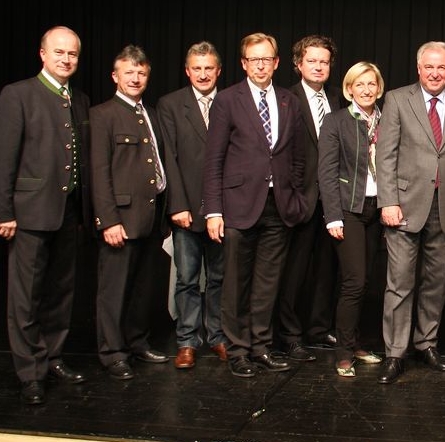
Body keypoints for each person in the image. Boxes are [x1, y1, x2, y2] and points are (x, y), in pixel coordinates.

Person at [0, 25, 91, 405]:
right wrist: (3, 210)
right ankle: (31, 371)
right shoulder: (18, 95)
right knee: (26, 297)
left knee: (61, 292)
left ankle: (53, 358)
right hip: (29, 213)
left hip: (67, 212)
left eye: (73, 54)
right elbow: (0, 158)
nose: (66, 59)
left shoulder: (78, 99)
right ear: (43, 54)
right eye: (59, 52)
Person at [202, 32, 306, 378]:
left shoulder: (289, 100)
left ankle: (261, 347)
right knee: (235, 283)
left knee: (267, 283)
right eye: (254, 59)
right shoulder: (228, 100)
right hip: (238, 207)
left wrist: (296, 198)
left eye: (267, 59)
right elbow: (214, 159)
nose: (261, 65)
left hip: (278, 205)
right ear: (244, 63)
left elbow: (296, 156)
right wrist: (214, 210)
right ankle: (238, 350)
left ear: (276, 63)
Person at [374, 41, 445, 384]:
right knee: (399, 283)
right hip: (403, 206)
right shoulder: (398, 99)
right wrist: (388, 200)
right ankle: (395, 353)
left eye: (441, 67)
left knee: (436, 283)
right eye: (429, 67)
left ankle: (427, 343)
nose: (435, 73)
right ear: (419, 69)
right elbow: (385, 154)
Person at [91, 44, 171, 381]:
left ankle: (137, 342)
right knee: (114, 290)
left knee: (143, 288)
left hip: (151, 217)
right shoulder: (103, 114)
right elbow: (99, 172)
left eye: (141, 73)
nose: (135, 78)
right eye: (129, 72)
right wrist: (108, 219)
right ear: (115, 76)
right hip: (121, 219)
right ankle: (113, 352)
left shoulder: (151, 113)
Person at [156, 41, 228, 369]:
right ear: (187, 71)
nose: (202, 74)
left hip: (223, 210)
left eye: (208, 68)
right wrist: (177, 205)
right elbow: (167, 158)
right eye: (196, 68)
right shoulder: (170, 104)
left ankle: (217, 336)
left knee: (219, 278)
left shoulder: (230, 102)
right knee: (186, 278)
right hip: (185, 209)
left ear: (218, 71)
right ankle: (186, 340)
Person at [278, 35, 345, 362]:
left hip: (332, 201)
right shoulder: (285, 99)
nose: (318, 66)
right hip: (298, 199)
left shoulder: (338, 99)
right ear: (298, 64)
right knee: (294, 271)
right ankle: (290, 335)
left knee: (326, 269)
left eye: (324, 61)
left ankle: (319, 328)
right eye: (312, 61)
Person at [318, 61, 386, 377]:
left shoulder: (387, 120)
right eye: (359, 84)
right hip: (348, 210)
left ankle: (355, 342)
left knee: (368, 282)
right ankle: (343, 352)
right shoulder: (336, 121)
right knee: (354, 282)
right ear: (349, 89)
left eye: (371, 83)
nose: (366, 89)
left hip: (378, 209)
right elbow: (327, 172)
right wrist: (333, 215)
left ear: (379, 87)